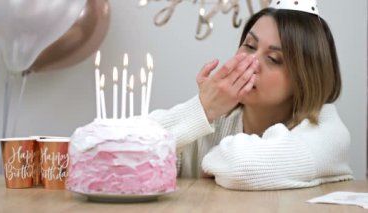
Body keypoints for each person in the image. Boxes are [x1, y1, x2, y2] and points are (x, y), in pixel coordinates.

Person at [149, 0, 353, 190]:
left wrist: (210, 161)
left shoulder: (328, 131)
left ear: (305, 77)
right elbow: (126, 148)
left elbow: (242, 167)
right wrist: (203, 108)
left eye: (273, 59)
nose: (251, 63)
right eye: (249, 46)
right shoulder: (214, 118)